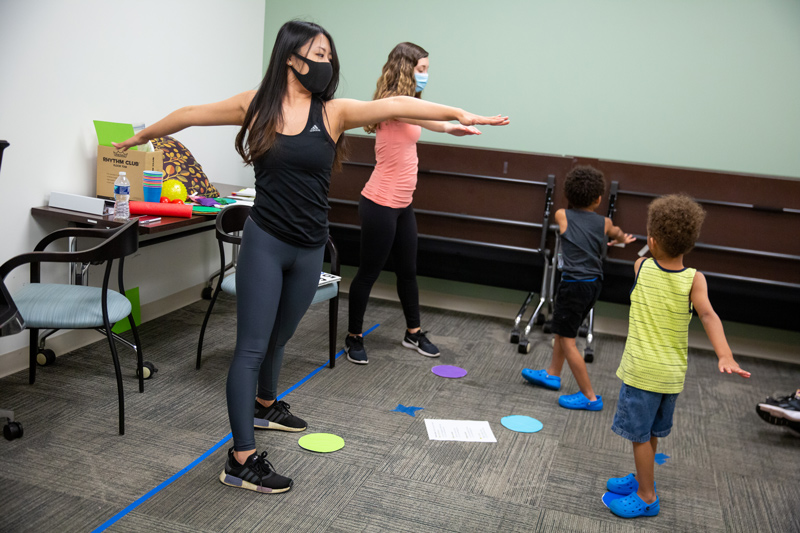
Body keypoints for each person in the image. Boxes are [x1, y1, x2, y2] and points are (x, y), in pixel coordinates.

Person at [113, 20, 508, 494]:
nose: (326, 64)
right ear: (290, 58)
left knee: (281, 335)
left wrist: (460, 113)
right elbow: (192, 114)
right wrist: (142, 138)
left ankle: (264, 404)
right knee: (251, 348)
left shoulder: (334, 112)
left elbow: (398, 104)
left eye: (328, 56)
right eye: (317, 55)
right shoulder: (256, 105)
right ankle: (240, 458)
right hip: (266, 242)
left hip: (310, 247)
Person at [605, 194, 750, 519]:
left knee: (638, 438)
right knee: (651, 433)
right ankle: (644, 478)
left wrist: (646, 246)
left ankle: (646, 495)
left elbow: (645, 257)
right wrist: (724, 355)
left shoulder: (641, 267)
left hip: (642, 374)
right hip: (671, 377)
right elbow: (709, 316)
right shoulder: (695, 279)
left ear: (652, 240)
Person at [344, 42, 484, 365]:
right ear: (406, 68)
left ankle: (413, 332)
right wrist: (455, 113)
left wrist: (455, 128)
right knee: (368, 272)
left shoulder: (411, 106)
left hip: (403, 204)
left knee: (408, 271)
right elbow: (420, 111)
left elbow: (434, 121)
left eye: (427, 69)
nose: (426, 75)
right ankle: (353, 336)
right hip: (379, 203)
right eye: (422, 69)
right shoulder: (390, 104)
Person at [521, 166, 634, 410]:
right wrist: (622, 239)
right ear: (599, 198)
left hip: (573, 286)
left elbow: (570, 221)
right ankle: (552, 373)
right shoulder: (605, 222)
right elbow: (616, 233)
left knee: (569, 340)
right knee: (563, 332)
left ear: (569, 196)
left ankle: (590, 397)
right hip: (593, 285)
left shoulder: (562, 215)